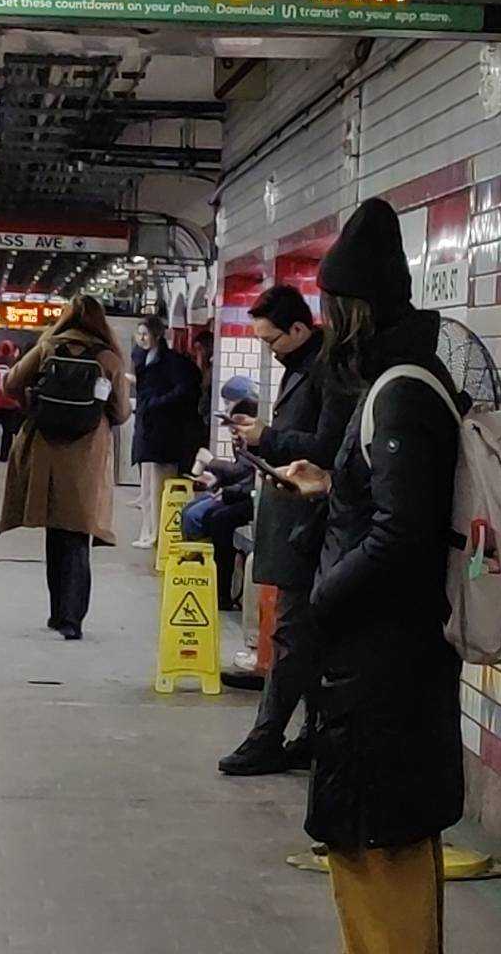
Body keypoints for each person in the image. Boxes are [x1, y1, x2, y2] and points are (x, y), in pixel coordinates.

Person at [279, 198, 464, 954]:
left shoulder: (400, 392)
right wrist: (331, 490)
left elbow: (401, 536)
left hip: (384, 666)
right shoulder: (406, 382)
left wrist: (323, 597)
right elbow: (396, 507)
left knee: (374, 840)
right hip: (394, 661)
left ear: (351, 308)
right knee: (389, 838)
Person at [219, 284, 356, 777]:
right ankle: (310, 736)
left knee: (295, 634)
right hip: (294, 520)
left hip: (313, 526)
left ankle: (267, 737)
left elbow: (328, 445)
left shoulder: (327, 371)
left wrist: (267, 437)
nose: (267, 350)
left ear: (300, 329)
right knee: (305, 634)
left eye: (272, 340)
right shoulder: (300, 366)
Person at [0, 296, 130, 639]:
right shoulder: (108, 358)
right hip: (86, 453)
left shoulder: (47, 348)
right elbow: (122, 413)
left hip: (45, 449)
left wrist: (34, 404)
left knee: (55, 531)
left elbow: (11, 383)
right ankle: (72, 619)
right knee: (76, 533)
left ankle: (58, 613)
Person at [131, 315, 201, 549]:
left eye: (145, 333)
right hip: (149, 430)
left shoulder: (171, 363)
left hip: (165, 432)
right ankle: (147, 531)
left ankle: (157, 534)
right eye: (138, 334)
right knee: (148, 488)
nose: (141, 338)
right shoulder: (142, 358)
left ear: (156, 335)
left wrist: (155, 403)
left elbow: (184, 391)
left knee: (160, 488)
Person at [181, 397, 258, 609]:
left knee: (214, 518)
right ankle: (198, 572)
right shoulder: (243, 441)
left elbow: (246, 474)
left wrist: (213, 466)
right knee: (193, 512)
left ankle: (219, 589)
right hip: (242, 494)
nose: (234, 429)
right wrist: (217, 483)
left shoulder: (257, 441)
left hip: (251, 498)